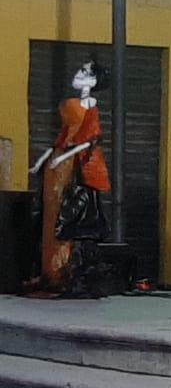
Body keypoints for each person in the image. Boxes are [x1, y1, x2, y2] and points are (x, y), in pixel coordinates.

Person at [29, 60, 111, 291]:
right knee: (51, 213)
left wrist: (63, 157)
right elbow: (63, 136)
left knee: (67, 216)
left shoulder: (90, 105)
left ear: (94, 81)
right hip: (60, 161)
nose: (78, 73)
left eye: (85, 71)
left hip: (77, 164)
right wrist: (42, 161)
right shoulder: (75, 104)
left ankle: (62, 271)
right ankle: (48, 270)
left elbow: (87, 140)